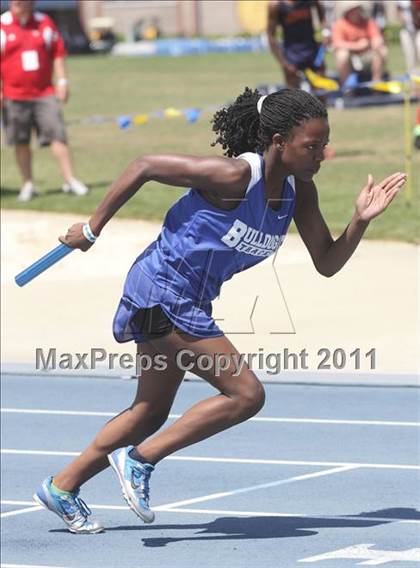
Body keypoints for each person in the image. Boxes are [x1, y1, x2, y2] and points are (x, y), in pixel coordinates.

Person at [32, 88, 405, 533]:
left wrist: (360, 221)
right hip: (160, 291)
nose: (321, 154)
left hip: (188, 301)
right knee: (246, 393)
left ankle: (63, 486)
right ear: (279, 140)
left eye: (322, 145)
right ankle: (139, 459)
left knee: (149, 411)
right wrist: (92, 230)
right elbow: (145, 165)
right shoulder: (232, 176)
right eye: (311, 146)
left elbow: (326, 262)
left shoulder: (298, 193)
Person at [0, 0, 88, 202]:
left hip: (44, 93)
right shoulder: (2, 25)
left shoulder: (44, 22)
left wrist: (63, 82)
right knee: (21, 140)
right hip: (14, 95)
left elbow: (57, 54)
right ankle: (28, 184)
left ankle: (70, 180)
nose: (17, 4)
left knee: (58, 135)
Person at [267, 0, 329, 89]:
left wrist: (325, 32)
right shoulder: (275, 5)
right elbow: (271, 35)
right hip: (291, 54)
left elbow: (322, 17)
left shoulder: (310, 2)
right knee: (293, 97)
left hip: (312, 51)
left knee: (321, 92)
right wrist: (284, 64)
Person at [331, 0, 388, 85]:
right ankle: (346, 86)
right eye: (354, 9)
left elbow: (377, 38)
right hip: (350, 56)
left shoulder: (368, 22)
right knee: (342, 55)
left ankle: (377, 82)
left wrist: (375, 42)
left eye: (357, 9)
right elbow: (337, 43)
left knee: (382, 50)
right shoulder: (340, 24)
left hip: (367, 55)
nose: (356, 12)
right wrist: (357, 46)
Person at [396, 0, 420, 75]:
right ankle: (412, 74)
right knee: (409, 54)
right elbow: (398, 10)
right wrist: (402, 19)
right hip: (406, 29)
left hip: (418, 28)